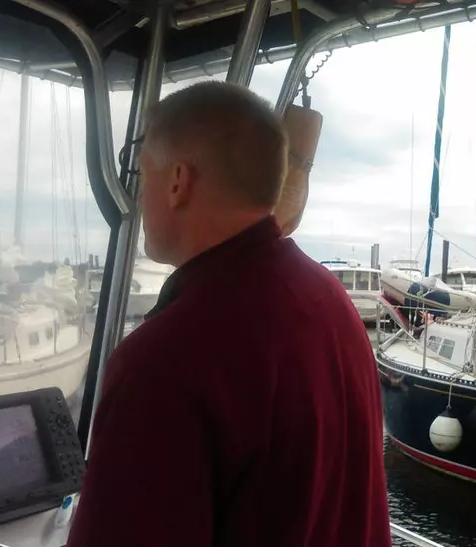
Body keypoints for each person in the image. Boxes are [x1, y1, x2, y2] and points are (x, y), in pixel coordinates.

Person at [67, 81, 391, 547]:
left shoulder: (165, 360)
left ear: (178, 181)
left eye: (142, 176)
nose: (139, 198)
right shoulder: (330, 299)